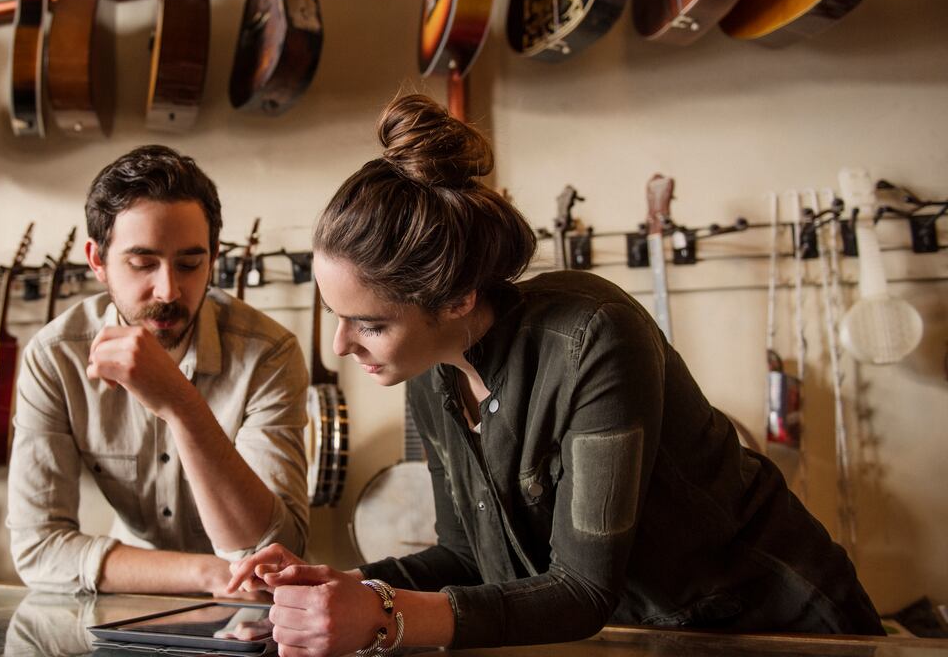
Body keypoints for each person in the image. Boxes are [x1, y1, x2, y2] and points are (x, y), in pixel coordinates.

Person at [227, 95, 883, 654]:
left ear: (455, 300)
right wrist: (332, 587)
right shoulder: (430, 371)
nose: (341, 345)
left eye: (369, 325)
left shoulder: (594, 337)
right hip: (646, 636)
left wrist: (381, 616)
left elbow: (583, 589)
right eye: (336, 316)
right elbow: (466, 559)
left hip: (774, 627)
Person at [8, 145, 309, 596]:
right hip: (130, 597)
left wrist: (181, 405)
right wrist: (206, 574)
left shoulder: (269, 354)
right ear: (97, 261)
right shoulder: (54, 358)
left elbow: (274, 553)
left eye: (190, 264)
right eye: (142, 263)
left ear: (213, 256)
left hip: (250, 611)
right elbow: (38, 548)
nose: (168, 290)